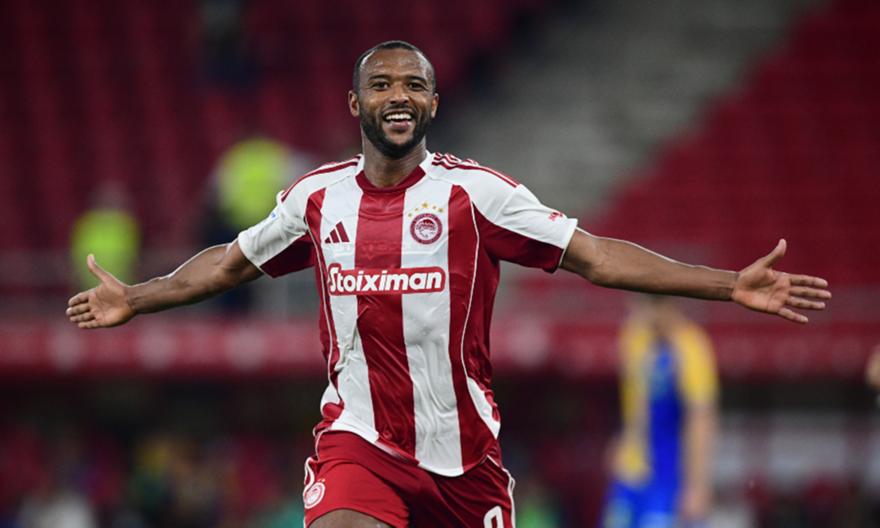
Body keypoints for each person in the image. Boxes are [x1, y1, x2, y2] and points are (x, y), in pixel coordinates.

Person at [66, 40, 831, 528]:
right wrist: (136, 296)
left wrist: (727, 285)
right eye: (381, 84)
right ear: (356, 104)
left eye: (413, 84)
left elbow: (595, 256)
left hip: (465, 460)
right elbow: (230, 262)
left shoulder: (477, 194)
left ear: (432, 102)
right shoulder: (315, 199)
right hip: (359, 443)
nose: (398, 95)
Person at [601, 295, 718, 528]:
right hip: (631, 472)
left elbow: (700, 419)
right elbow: (636, 401)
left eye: (643, 305)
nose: (636, 313)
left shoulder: (691, 347)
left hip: (668, 474)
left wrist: (696, 485)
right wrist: (625, 439)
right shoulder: (635, 336)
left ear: (667, 306)